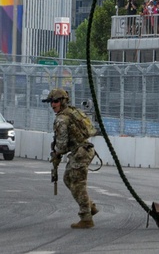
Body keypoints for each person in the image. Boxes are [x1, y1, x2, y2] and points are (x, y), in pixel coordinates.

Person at [44, 88, 98, 229]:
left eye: (55, 101)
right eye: (51, 102)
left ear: (62, 101)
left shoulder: (62, 119)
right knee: (68, 179)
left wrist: (56, 154)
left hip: (80, 153)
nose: (53, 105)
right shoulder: (72, 112)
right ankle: (90, 206)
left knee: (78, 184)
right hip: (82, 151)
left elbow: (61, 145)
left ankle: (86, 218)